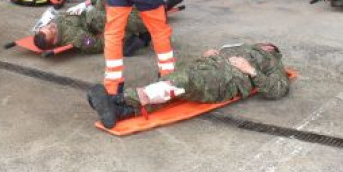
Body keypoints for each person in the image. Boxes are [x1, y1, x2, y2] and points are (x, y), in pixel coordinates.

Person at [88, 42, 289, 129]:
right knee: (173, 84)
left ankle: (118, 99)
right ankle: (121, 111)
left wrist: (251, 70)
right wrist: (210, 55)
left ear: (271, 48)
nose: (261, 44)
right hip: (209, 68)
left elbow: (279, 89)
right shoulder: (244, 47)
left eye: (265, 44)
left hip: (226, 80)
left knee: (181, 82)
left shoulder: (272, 61)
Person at [33, 0, 149, 55]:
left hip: (91, 10)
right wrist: (119, 37)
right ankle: (131, 38)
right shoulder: (74, 37)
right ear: (54, 41)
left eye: (47, 27)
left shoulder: (56, 22)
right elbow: (97, 45)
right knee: (112, 15)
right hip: (96, 20)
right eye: (51, 31)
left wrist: (89, 2)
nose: (51, 26)